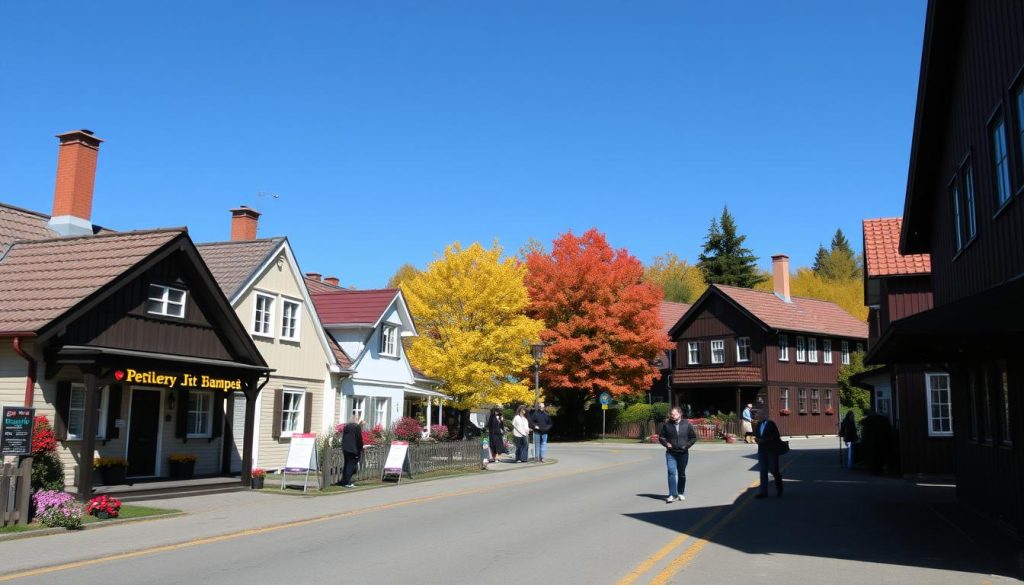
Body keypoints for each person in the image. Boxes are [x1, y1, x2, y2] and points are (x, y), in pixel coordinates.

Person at [658, 406, 698, 503]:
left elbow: (693, 438)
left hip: (683, 453)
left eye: (675, 414)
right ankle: (672, 494)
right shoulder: (667, 425)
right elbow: (661, 437)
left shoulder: (687, 424)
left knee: (681, 474)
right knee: (671, 472)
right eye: (671, 414)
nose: (672, 416)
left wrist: (686, 446)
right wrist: (666, 444)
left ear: (680, 414)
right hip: (671, 453)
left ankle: (680, 492)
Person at [755, 416, 785, 498]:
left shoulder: (771, 424)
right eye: (757, 413)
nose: (757, 415)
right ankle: (763, 493)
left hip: (771, 450)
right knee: (763, 471)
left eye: (759, 413)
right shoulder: (758, 424)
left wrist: (766, 440)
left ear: (765, 415)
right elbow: (757, 434)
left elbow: (776, 436)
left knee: (773, 470)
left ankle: (779, 487)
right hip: (761, 450)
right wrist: (757, 439)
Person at [340, 419, 364, 488]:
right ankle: (347, 482)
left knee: (346, 464)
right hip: (353, 449)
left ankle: (344, 481)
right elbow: (359, 439)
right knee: (351, 466)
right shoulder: (357, 427)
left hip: (345, 448)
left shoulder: (347, 427)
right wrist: (361, 447)